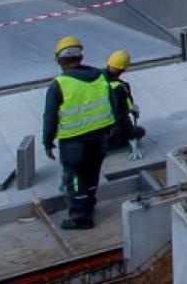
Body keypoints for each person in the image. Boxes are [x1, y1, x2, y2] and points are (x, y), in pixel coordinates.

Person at [42, 35, 128, 230]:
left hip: (74, 141)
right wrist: (113, 128)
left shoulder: (59, 84)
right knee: (92, 172)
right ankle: (89, 202)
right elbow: (113, 104)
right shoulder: (100, 76)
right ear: (80, 58)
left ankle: (81, 217)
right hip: (99, 137)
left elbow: (50, 117)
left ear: (60, 60)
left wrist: (47, 142)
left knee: (74, 177)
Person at [104, 50, 146, 158]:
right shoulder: (120, 88)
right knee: (140, 131)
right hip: (107, 134)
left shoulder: (94, 79)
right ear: (124, 69)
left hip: (88, 133)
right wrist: (132, 134)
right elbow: (121, 117)